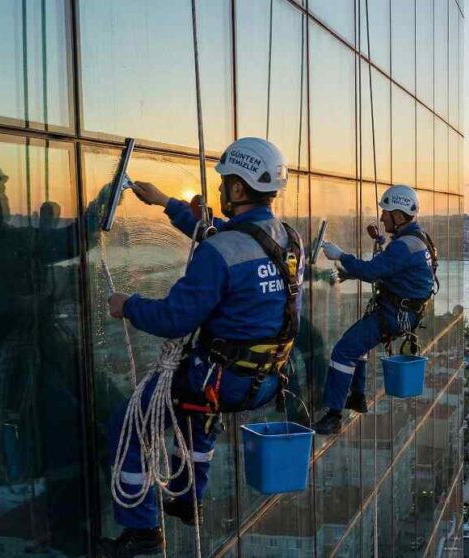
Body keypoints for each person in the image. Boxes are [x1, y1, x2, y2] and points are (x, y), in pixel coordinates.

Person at [101, 137, 304, 557]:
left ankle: (141, 533)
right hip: (262, 380)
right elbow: (224, 235)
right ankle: (187, 496)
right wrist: (165, 202)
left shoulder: (220, 251)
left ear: (238, 189)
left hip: (219, 379)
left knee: (129, 422)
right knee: (194, 413)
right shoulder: (288, 239)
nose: (219, 191)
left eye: (225, 183)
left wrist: (128, 305)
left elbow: (175, 317)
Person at [0, 153, 107, 555]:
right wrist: (19, 304)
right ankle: (70, 533)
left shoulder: (15, 239)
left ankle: (96, 514)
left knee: (106, 412)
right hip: (7, 368)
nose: (1, 198)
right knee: (66, 430)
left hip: (47, 353)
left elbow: (69, 240)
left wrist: (103, 203)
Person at [312, 184, 438, 435]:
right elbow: (398, 269)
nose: (381, 217)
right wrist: (377, 248)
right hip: (403, 312)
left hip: (393, 314)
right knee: (358, 346)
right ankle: (357, 396)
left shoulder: (403, 246)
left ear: (399, 216)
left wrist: (341, 256)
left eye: (386, 213)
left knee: (343, 351)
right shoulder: (419, 238)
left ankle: (334, 415)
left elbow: (372, 272)